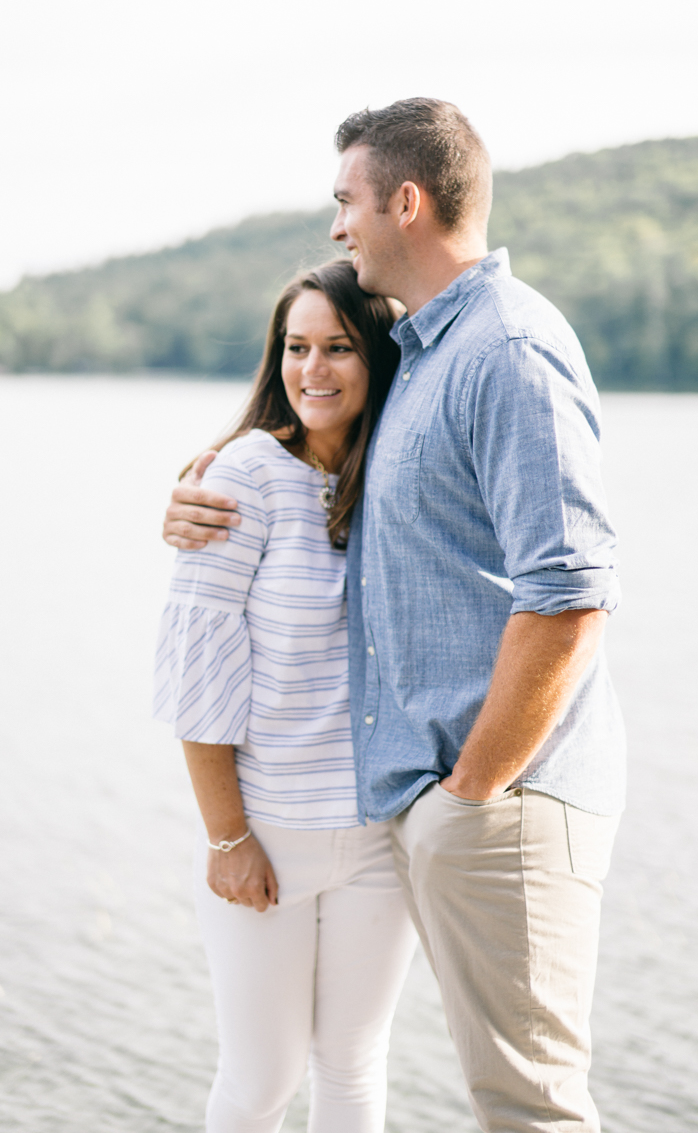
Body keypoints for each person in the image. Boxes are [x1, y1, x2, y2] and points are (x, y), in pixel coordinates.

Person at [164, 98, 626, 1133]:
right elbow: (306, 474)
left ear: (404, 203)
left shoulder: (502, 349)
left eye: (347, 201)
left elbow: (568, 595)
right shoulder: (423, 360)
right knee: (323, 1079)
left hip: (488, 805)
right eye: (297, 349)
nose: (337, 224)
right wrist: (200, 488)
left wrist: (466, 794)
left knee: (525, 1102)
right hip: (386, 813)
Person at [154, 258, 417, 1133]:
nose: (313, 370)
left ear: (376, 357)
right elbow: (199, 673)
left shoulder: (397, 482)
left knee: (352, 1068)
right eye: (296, 348)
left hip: (380, 838)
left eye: (339, 347)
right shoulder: (245, 475)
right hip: (269, 836)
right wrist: (227, 837)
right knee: (261, 1081)